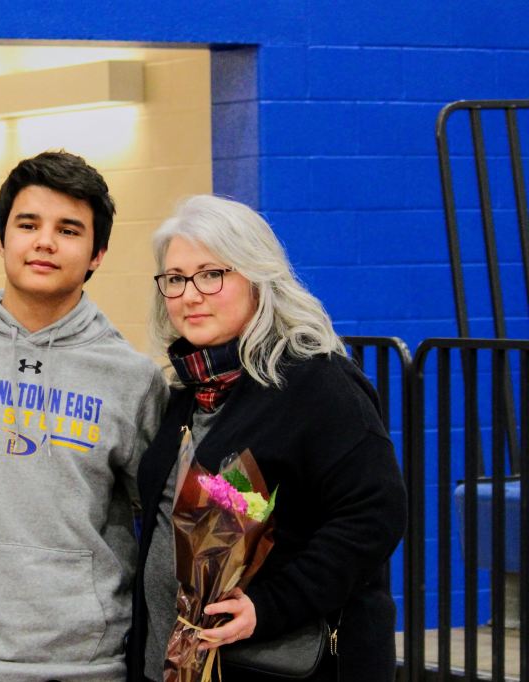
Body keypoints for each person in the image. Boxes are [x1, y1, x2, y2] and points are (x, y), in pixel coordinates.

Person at [0, 150, 169, 681]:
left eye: (68, 230)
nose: (44, 242)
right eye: (28, 224)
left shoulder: (132, 378)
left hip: (83, 665)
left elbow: (159, 517)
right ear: (2, 239)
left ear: (97, 253)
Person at [128, 195, 406, 682]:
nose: (190, 295)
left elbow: (374, 515)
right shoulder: (188, 394)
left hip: (284, 664)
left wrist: (270, 605)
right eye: (175, 279)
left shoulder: (318, 382)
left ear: (257, 279)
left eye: (211, 274)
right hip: (174, 667)